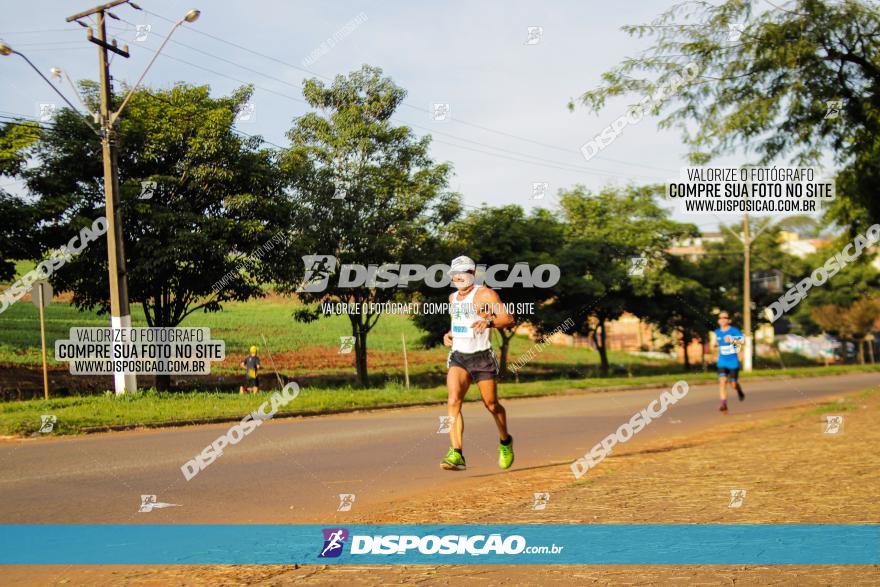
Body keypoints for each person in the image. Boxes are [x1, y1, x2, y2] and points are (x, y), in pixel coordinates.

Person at [441, 255, 515, 471]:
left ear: (472, 274)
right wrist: (448, 334)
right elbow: (458, 324)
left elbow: (508, 319)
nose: (459, 277)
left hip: (482, 356)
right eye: (456, 274)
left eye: (464, 273)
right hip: (459, 356)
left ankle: (505, 441)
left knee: (491, 404)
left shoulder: (485, 294)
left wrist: (489, 321)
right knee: (453, 399)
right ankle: (456, 453)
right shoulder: (452, 298)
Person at [713, 311, 745, 412]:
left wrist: (732, 339)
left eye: (725, 317)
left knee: (733, 384)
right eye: (720, 317)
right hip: (722, 361)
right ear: (718, 320)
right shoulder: (717, 331)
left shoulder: (734, 330)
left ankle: (739, 390)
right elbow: (716, 343)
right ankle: (724, 404)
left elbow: (743, 341)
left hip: (733, 362)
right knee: (722, 382)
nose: (722, 319)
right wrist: (714, 347)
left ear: (729, 320)